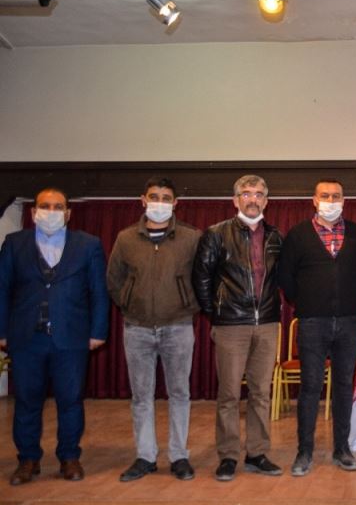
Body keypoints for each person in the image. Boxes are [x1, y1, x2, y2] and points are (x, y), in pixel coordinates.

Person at [0, 188, 109, 486]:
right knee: (26, 400)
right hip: (26, 338)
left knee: (70, 400)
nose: (51, 211)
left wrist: (98, 331)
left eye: (58, 206)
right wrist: (2, 331)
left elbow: (99, 292)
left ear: (68, 213)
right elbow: (2, 289)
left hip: (71, 338)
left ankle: (69, 457)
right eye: (45, 206)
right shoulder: (14, 244)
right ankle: (27, 459)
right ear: (34, 212)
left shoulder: (88, 245)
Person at [107, 177, 201, 482]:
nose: (159, 203)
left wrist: (189, 305)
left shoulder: (191, 237)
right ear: (143, 200)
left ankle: (179, 456)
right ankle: (145, 456)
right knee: (141, 395)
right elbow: (114, 280)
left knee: (179, 393)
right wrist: (129, 304)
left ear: (175, 203)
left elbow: (203, 278)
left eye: (166, 198)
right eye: (154, 197)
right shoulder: (125, 238)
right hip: (137, 328)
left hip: (178, 326)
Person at [192, 174, 284, 481]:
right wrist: (216, 313)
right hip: (231, 325)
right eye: (246, 193)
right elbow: (201, 278)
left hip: (267, 324)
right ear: (235, 200)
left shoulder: (275, 236)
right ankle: (228, 455)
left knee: (260, 393)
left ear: (266, 201)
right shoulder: (216, 234)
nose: (252, 199)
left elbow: (281, 277)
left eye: (258, 194)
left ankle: (257, 453)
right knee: (229, 394)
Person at [277, 178, 356, 477]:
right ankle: (304, 452)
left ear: (344, 200)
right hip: (311, 322)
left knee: (343, 387)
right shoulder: (298, 235)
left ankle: (342, 449)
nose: (331, 201)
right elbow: (286, 276)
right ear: (314, 200)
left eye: (336, 196)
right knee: (310, 387)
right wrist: (307, 302)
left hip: (348, 322)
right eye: (325, 196)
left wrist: (351, 300)